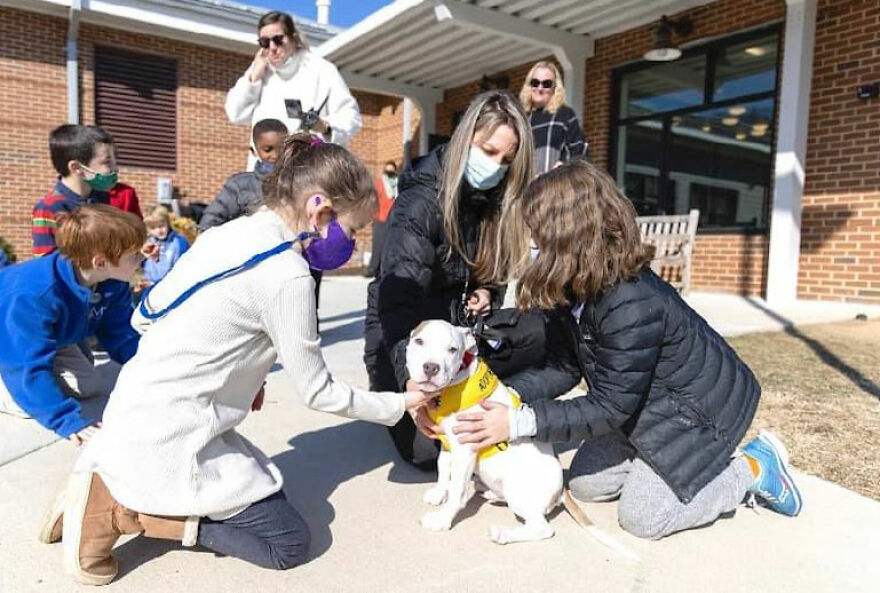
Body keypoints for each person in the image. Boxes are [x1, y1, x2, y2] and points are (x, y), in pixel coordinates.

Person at [54, 133, 433, 586]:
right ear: (319, 209)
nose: (350, 243)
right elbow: (318, 392)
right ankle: (120, 511)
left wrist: (244, 372)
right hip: (175, 435)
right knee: (287, 543)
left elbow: (145, 316)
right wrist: (398, 405)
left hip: (131, 410)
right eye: (352, 230)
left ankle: (99, 480)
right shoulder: (289, 275)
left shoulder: (227, 233)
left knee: (263, 484)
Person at [450, 161, 803, 540]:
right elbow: (564, 367)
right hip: (641, 403)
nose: (532, 243)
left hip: (695, 413)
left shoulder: (630, 302)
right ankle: (654, 461)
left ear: (571, 233)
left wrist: (518, 421)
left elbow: (611, 405)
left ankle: (753, 467)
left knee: (643, 518)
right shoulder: (574, 285)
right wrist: (505, 398)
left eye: (538, 232)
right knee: (585, 486)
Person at [364, 91, 547, 471]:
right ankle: (419, 398)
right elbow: (396, 304)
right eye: (488, 150)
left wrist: (486, 292)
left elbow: (492, 274)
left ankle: (492, 401)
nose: (495, 166)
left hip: (459, 336)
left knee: (540, 329)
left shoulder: (495, 201)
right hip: (404, 337)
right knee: (427, 452)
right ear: (466, 139)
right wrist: (409, 385)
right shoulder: (420, 203)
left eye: (506, 160)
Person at [0, 205, 147, 442]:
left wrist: (153, 365)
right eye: (134, 256)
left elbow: (120, 334)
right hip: (9, 336)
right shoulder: (34, 296)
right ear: (100, 262)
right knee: (27, 399)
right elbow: (26, 365)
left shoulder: (112, 281)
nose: (142, 260)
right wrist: (65, 420)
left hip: (53, 335)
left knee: (88, 386)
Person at [225, 10, 361, 168]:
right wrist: (253, 79)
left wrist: (325, 127)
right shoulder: (259, 71)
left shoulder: (321, 70)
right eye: (264, 42)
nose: (272, 47)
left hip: (308, 170)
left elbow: (351, 116)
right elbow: (235, 114)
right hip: (265, 173)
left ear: (293, 38)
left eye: (278, 39)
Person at [33, 125, 117, 256]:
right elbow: (44, 262)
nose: (115, 168)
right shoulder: (48, 208)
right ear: (76, 167)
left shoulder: (102, 198)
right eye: (107, 162)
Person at [199, 118, 289, 231]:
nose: (275, 155)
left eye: (282, 148)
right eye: (268, 149)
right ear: (254, 151)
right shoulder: (241, 185)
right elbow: (211, 219)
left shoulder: (299, 182)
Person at [519, 61, 588, 175]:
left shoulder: (564, 115)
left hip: (553, 188)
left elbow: (580, 151)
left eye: (546, 84)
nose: (540, 88)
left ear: (555, 88)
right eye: (535, 83)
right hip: (524, 188)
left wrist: (564, 165)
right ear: (529, 85)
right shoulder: (521, 119)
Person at [141, 205, 190, 287]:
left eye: (161, 226)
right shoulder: (149, 242)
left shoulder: (179, 242)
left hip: (170, 286)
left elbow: (184, 265)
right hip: (149, 284)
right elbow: (143, 263)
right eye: (153, 228)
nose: (158, 231)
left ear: (167, 223)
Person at [367, 160, 399, 277]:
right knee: (378, 246)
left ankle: (384, 270)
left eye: (392, 170)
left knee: (389, 247)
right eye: (387, 170)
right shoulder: (379, 184)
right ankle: (373, 268)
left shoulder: (398, 185)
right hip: (380, 218)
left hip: (393, 220)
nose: (390, 172)